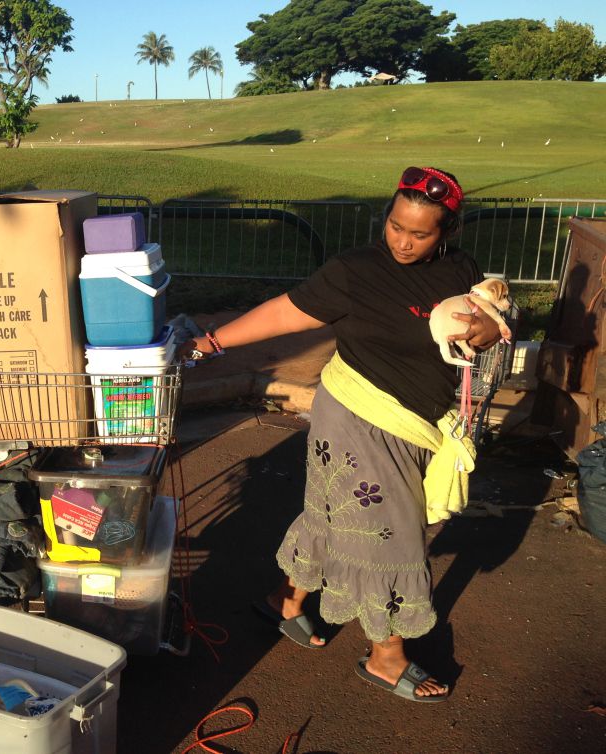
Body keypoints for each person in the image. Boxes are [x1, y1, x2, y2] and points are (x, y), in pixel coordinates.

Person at [188, 167, 504, 702]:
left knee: (334, 514)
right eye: (396, 225)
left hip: (414, 423)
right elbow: (287, 314)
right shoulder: (354, 271)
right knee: (393, 534)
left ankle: (283, 601)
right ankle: (386, 656)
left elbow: (492, 320)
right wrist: (211, 342)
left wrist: (486, 327)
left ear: (446, 233)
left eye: (420, 233)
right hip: (355, 417)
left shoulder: (461, 270)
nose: (403, 241)